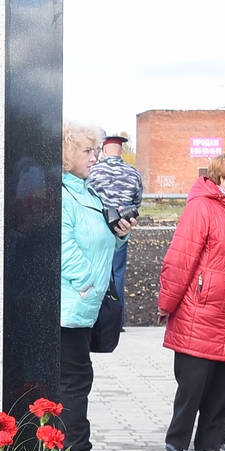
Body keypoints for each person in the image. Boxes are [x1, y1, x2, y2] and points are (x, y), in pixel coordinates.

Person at [157, 152, 225, 451]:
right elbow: (180, 259)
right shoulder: (201, 208)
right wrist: (167, 303)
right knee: (193, 382)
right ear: (224, 179)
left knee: (223, 382)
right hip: (200, 310)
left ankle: (213, 439)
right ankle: (178, 438)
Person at [60, 122, 126, 451]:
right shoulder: (64, 195)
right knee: (75, 379)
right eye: (87, 151)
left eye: (95, 150)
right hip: (71, 305)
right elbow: (64, 246)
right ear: (67, 155)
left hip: (86, 304)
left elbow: (100, 240)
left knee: (77, 377)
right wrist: (87, 284)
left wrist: (119, 236)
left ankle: (68, 448)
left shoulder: (86, 192)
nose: (94, 157)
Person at [89, 130, 144, 324]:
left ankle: (97, 318)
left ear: (103, 148)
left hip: (97, 228)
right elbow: (137, 202)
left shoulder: (93, 170)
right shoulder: (133, 173)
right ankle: (117, 321)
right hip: (122, 228)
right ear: (121, 149)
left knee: (96, 270)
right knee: (118, 273)